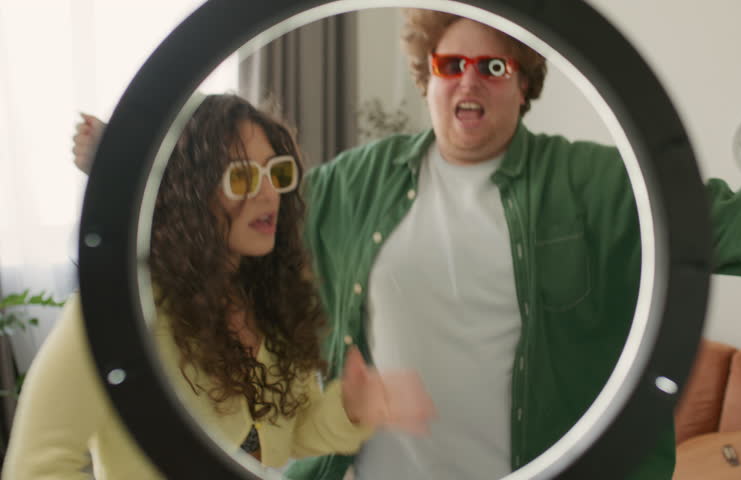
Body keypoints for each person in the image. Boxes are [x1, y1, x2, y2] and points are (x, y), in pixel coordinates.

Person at [71, 10, 741, 480]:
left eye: (494, 64)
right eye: (452, 64)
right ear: (426, 75)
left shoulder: (602, 184)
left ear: (524, 81)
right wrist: (143, 161)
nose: (469, 81)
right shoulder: (352, 182)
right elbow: (236, 214)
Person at [5, 94, 434, 480]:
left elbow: (291, 433)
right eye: (243, 178)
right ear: (186, 193)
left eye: (276, 173)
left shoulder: (272, 301)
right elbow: (35, 467)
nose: (270, 194)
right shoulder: (117, 314)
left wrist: (349, 408)